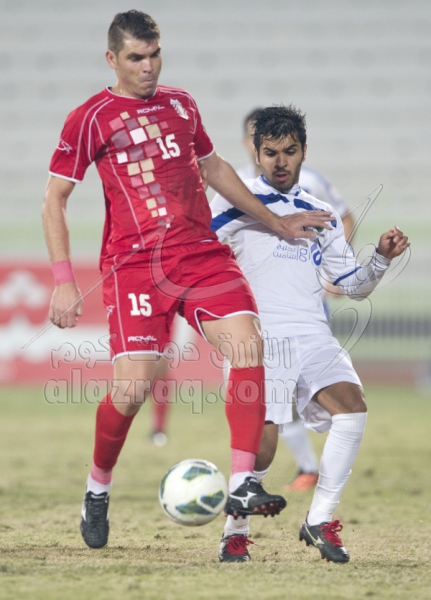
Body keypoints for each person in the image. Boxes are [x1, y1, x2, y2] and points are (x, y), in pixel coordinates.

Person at [42, 12, 334, 550]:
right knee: (132, 389)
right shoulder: (89, 119)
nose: (148, 66)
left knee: (248, 344)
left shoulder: (181, 104)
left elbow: (214, 168)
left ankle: (243, 484)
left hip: (200, 254)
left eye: (155, 54)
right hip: (135, 266)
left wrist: (276, 222)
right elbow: (54, 200)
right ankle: (98, 487)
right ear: (112, 59)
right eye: (136, 57)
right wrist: (63, 280)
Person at [211, 105, 409, 563]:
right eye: (270, 153)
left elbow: (352, 286)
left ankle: (319, 519)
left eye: (290, 151)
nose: (280, 161)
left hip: (313, 333)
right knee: (261, 450)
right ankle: (234, 532)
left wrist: (380, 259)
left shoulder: (321, 214)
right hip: (259, 337)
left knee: (352, 410)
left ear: (304, 151)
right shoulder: (234, 202)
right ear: (256, 154)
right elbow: (197, 247)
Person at [237, 108, 356, 493]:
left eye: (288, 149)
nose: (279, 157)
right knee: (272, 403)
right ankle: (301, 468)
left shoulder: (313, 183)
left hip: (305, 309)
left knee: (301, 394)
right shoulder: (235, 188)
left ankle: (302, 471)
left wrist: (334, 269)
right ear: (252, 146)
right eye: (263, 144)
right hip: (257, 316)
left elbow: (345, 218)